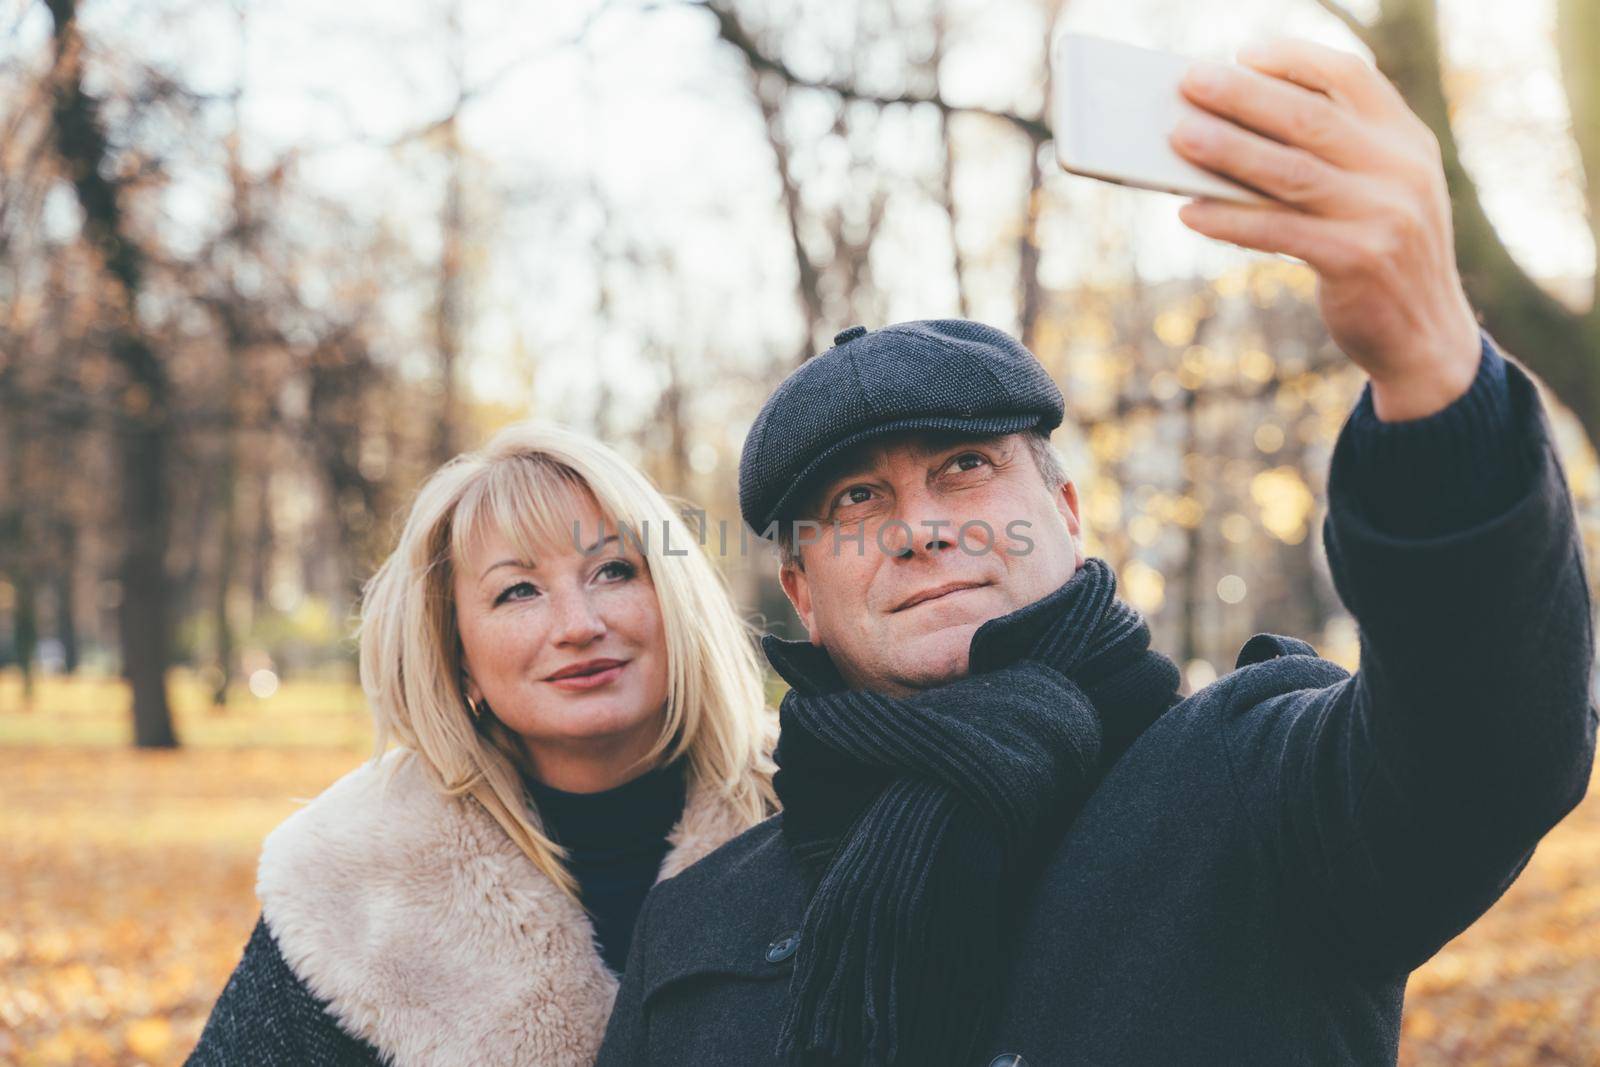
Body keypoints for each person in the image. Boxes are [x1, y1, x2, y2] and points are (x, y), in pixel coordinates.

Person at [596, 37, 1597, 1067]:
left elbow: (1488, 746)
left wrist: (1430, 366)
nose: (920, 526)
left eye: (965, 468)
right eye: (858, 499)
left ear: (1064, 510)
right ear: (802, 592)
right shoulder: (696, 921)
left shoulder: (1255, 782)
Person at [188, 422, 776, 1066]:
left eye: (613, 570)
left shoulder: (818, 807)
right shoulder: (353, 881)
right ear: (456, 653)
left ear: (675, 601)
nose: (579, 625)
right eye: (518, 590)